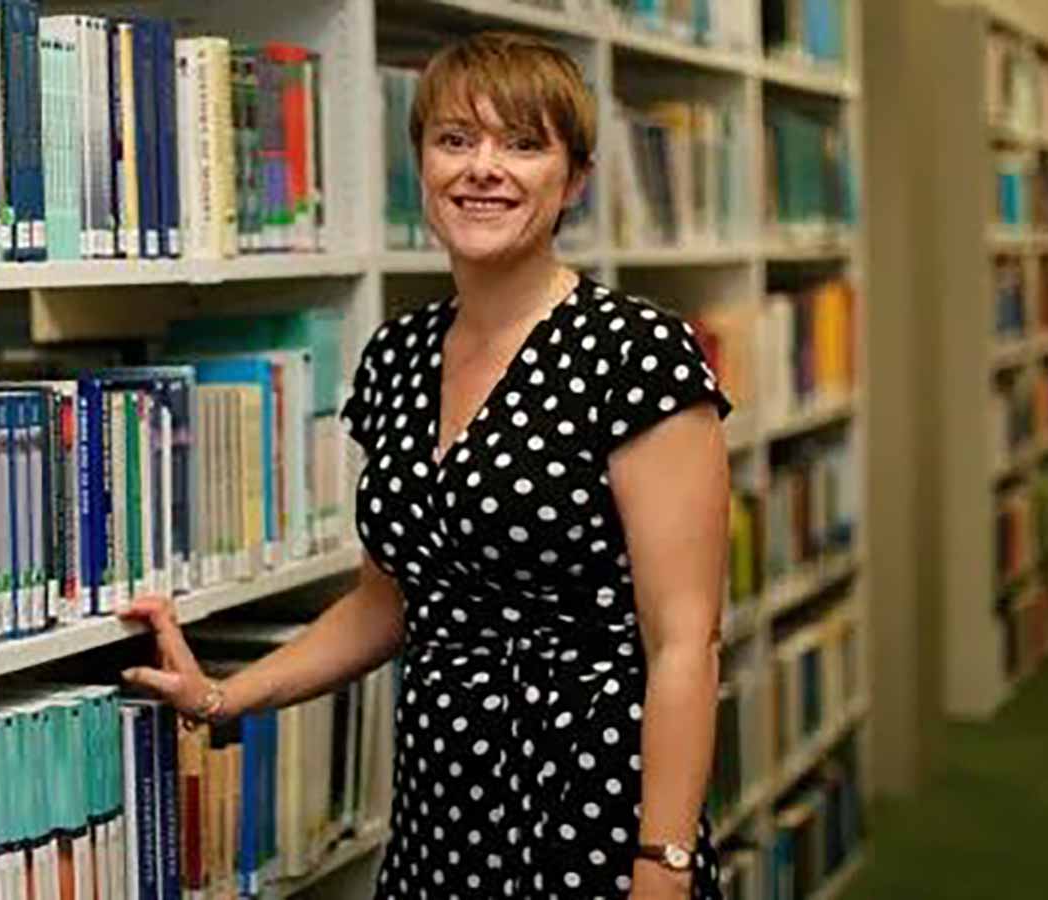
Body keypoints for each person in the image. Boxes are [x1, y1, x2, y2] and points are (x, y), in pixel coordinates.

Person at [121, 30, 732, 900]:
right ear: (422, 166)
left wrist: (662, 869)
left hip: (593, 802)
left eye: (523, 144)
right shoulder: (396, 356)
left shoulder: (637, 354)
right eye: (456, 140)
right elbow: (393, 599)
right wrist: (224, 696)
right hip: (440, 802)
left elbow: (685, 643)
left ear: (575, 181)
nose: (484, 168)